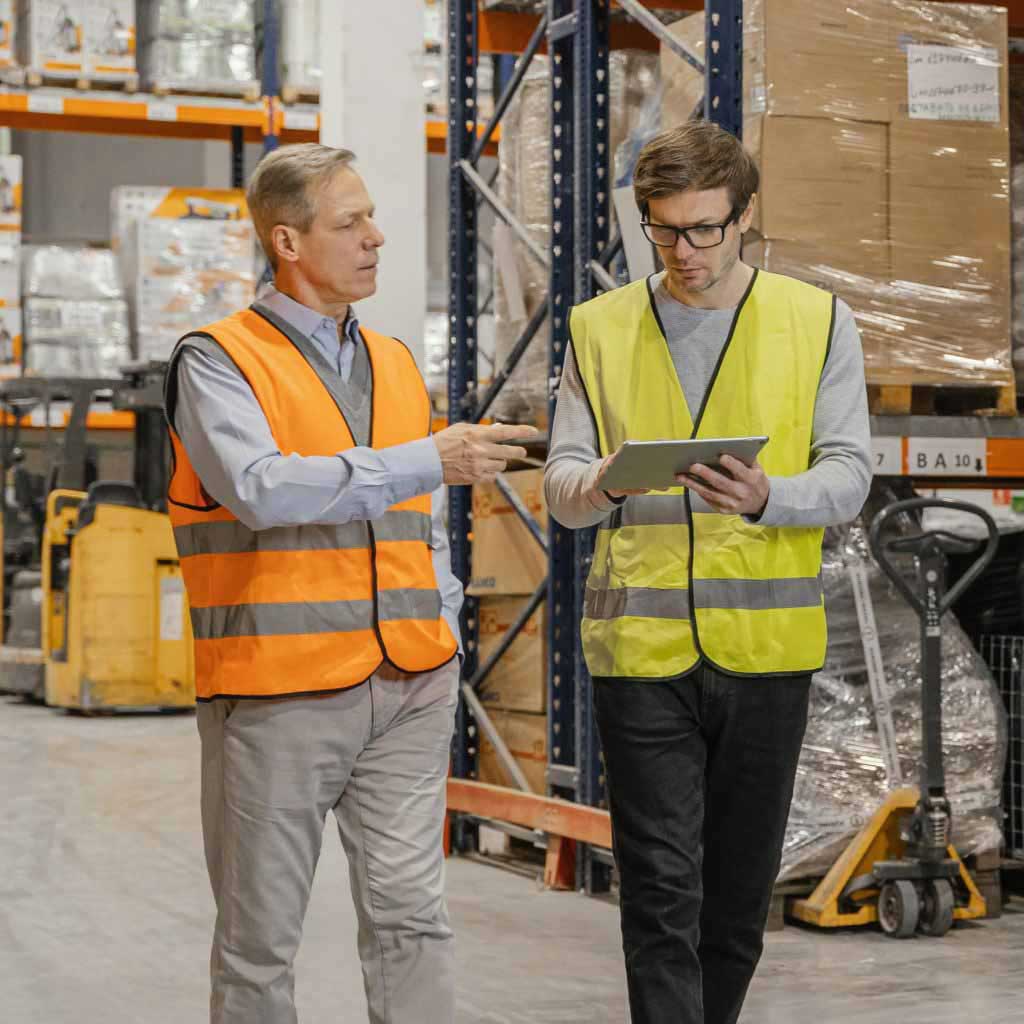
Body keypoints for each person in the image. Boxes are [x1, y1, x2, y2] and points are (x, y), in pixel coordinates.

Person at [164, 142, 534, 1024]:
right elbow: (258, 488)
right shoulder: (217, 360)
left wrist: (441, 623)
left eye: (371, 217)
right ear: (287, 242)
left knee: (413, 917)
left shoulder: (397, 362)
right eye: (350, 222)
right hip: (280, 693)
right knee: (260, 944)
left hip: (409, 682)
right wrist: (422, 459)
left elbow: (420, 522)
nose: (376, 238)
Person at [544, 121, 872, 1024]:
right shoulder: (599, 329)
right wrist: (604, 481)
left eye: (704, 230)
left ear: (745, 218)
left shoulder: (817, 321)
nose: (684, 253)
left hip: (766, 653)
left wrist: (770, 496)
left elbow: (849, 474)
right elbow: (561, 490)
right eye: (663, 230)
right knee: (658, 888)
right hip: (639, 655)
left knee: (735, 898)